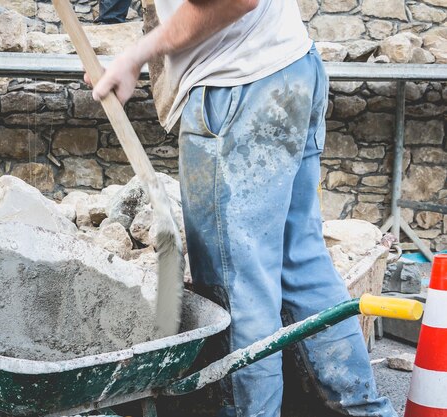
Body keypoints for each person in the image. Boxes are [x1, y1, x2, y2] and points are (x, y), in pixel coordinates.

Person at [85, 0, 397, 416]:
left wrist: (135, 56)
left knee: (238, 288)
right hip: (290, 69)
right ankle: (366, 409)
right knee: (299, 260)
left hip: (238, 90)